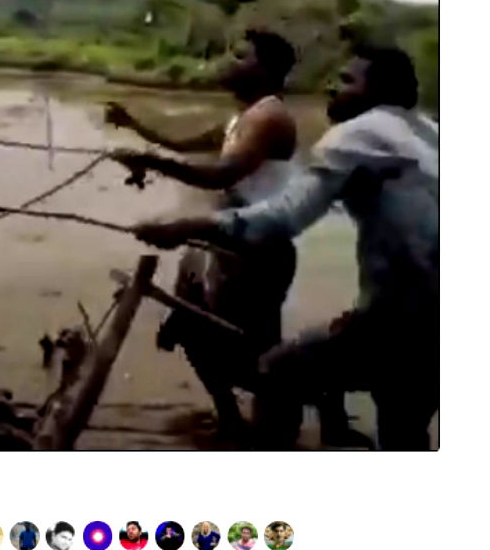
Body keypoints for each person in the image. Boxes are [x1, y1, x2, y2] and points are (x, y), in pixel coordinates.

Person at [134, 45, 439, 451]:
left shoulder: (356, 134)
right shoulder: (430, 132)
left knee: (278, 370)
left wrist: (190, 226)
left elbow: (284, 216)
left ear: (377, 91)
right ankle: (335, 426)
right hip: (425, 313)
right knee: (404, 427)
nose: (331, 86)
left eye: (347, 80)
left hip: (398, 314)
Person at [108, 30, 305, 437]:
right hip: (223, 244)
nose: (230, 62)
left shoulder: (270, 117)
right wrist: (134, 126)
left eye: (242, 56)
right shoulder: (242, 118)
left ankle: (301, 406)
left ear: (266, 70)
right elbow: (181, 143)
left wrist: (151, 161)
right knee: (188, 330)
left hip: (255, 252)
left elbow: (221, 174)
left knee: (248, 352)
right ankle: (232, 419)